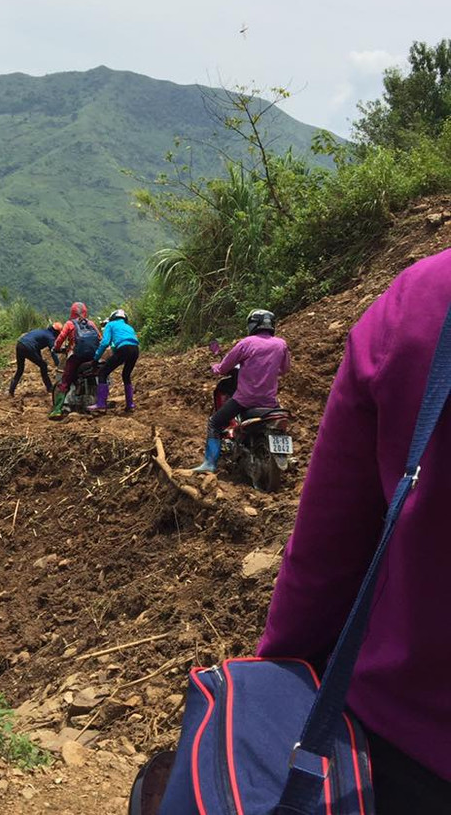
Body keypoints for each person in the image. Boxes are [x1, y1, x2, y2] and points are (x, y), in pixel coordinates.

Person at [257, 249, 451, 813]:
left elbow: (323, 558)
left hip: (397, 753)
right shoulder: (280, 346)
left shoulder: (421, 298)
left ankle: (209, 458)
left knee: (218, 422)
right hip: (274, 408)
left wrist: (274, 687)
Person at [192, 309, 290, 472]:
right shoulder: (281, 344)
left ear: (252, 325)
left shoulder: (246, 343)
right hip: (270, 402)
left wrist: (215, 368)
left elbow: (224, 368)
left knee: (214, 423)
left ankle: (209, 463)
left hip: (245, 399)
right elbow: (285, 369)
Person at [49, 302, 101, 420]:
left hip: (76, 357)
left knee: (65, 381)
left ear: (72, 312)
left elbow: (60, 338)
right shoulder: (91, 323)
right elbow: (99, 338)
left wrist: (56, 348)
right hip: (92, 356)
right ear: (85, 311)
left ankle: (57, 410)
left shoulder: (69, 324)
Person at [88, 309, 140, 413]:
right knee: (126, 375)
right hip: (135, 350)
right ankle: (130, 404)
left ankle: (101, 403)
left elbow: (105, 343)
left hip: (123, 349)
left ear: (113, 317)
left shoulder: (110, 325)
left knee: (103, 373)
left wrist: (95, 359)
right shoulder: (129, 327)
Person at [9, 322, 63, 396]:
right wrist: (58, 365)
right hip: (28, 347)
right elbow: (53, 352)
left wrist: (40, 359)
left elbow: (37, 347)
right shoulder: (50, 337)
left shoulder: (41, 331)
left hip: (20, 344)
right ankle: (49, 388)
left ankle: (11, 390)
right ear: (56, 332)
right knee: (43, 365)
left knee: (20, 369)